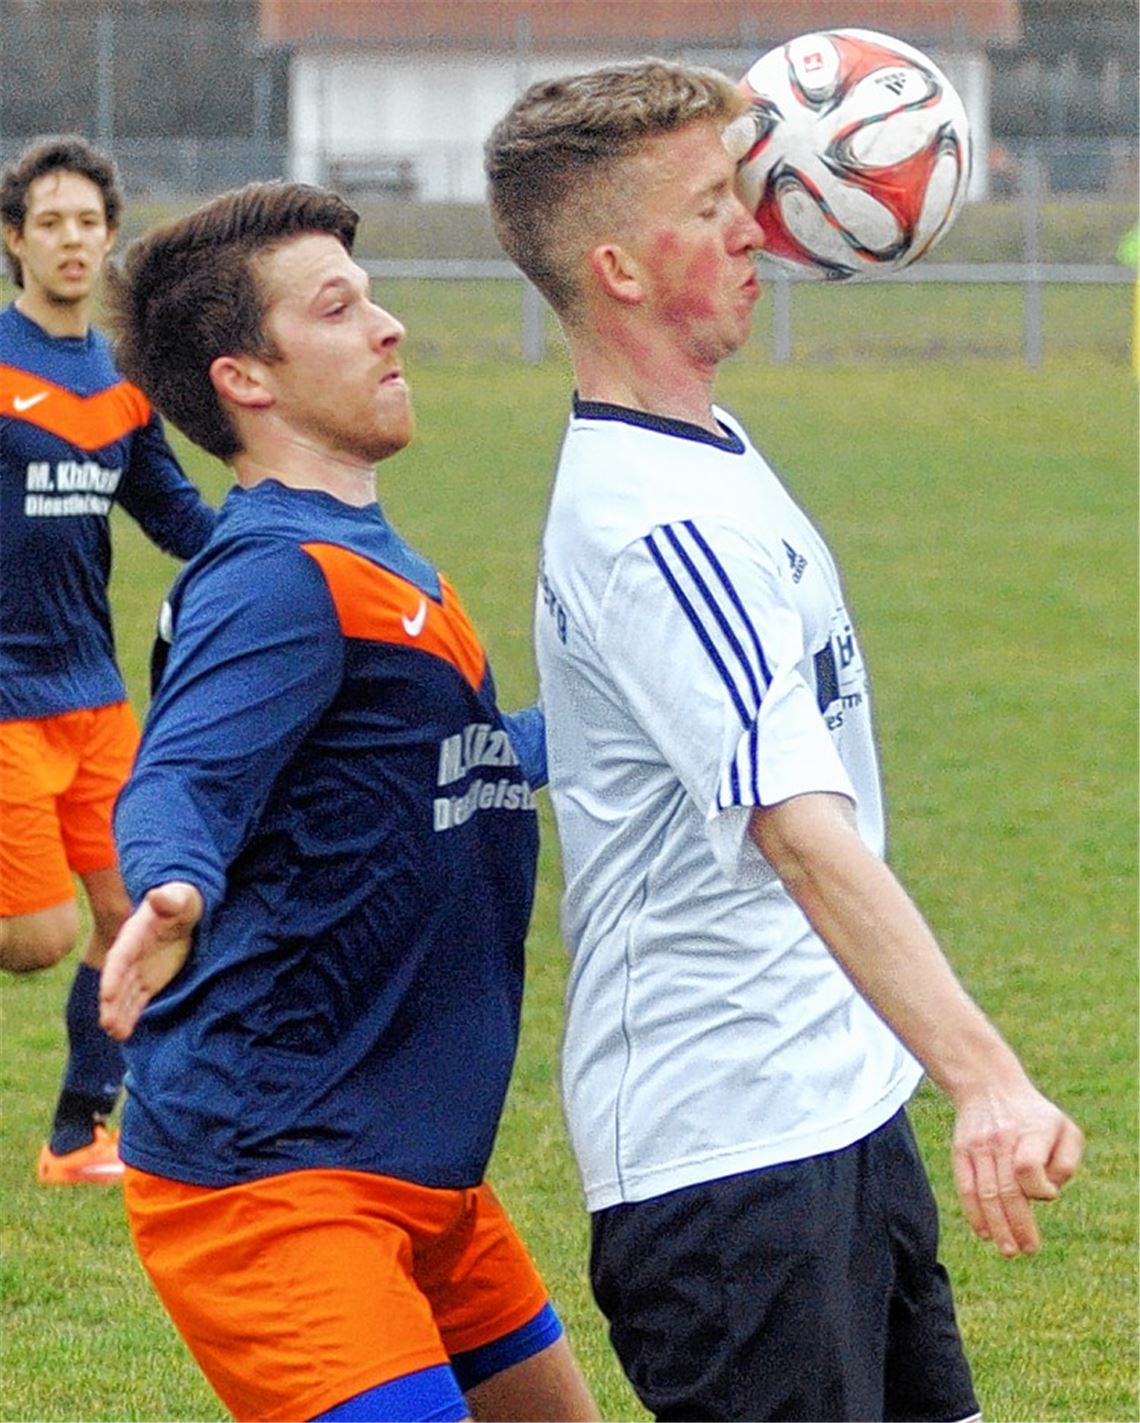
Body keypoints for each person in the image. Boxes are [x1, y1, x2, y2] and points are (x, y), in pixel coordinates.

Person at [485, 60, 1085, 1423]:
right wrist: (987, 1076)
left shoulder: (698, 443)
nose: (761, 225)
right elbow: (801, 833)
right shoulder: (662, 521)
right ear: (620, 267)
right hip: (731, 1165)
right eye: (716, 204)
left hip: (835, 1103)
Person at [96, 180, 598, 1423]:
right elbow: (183, 776)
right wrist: (171, 878)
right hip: (276, 1175)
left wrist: (627, 715)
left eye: (372, 298)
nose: (389, 328)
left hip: (418, 1159)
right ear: (246, 380)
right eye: (338, 309)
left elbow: (466, 759)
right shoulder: (276, 578)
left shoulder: (386, 567)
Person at [0, 135, 215, 1185]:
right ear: (15, 240)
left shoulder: (123, 384)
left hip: (93, 695)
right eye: (51, 221)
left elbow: (172, 514)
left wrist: (278, 536)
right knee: (35, 939)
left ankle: (77, 1134)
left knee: (134, 915)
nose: (72, 239)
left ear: (111, 235)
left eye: (88, 221)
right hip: (1, 699)